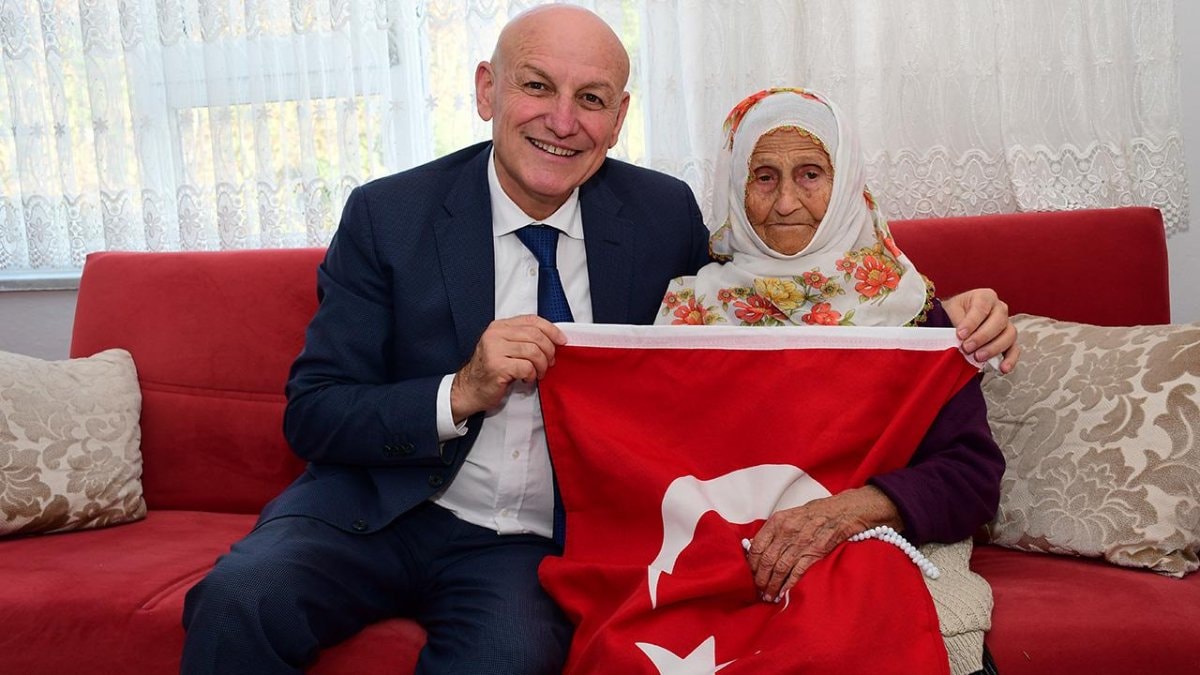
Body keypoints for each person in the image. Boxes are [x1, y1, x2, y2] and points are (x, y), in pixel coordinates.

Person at [180, 7, 1016, 673]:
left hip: (534, 546)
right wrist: (459, 390)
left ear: (619, 119)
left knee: (510, 659)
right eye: (536, 86)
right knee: (240, 597)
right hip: (375, 511)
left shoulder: (659, 217)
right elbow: (313, 411)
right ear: (487, 91)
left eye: (590, 98)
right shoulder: (388, 214)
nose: (561, 120)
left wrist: (950, 317)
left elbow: (776, 311)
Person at [655, 87, 1003, 674]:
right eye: (764, 176)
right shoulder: (690, 310)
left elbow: (972, 477)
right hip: (720, 547)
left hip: (862, 546)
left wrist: (856, 509)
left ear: (845, 184)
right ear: (736, 185)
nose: (787, 202)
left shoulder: (908, 309)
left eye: (810, 174)